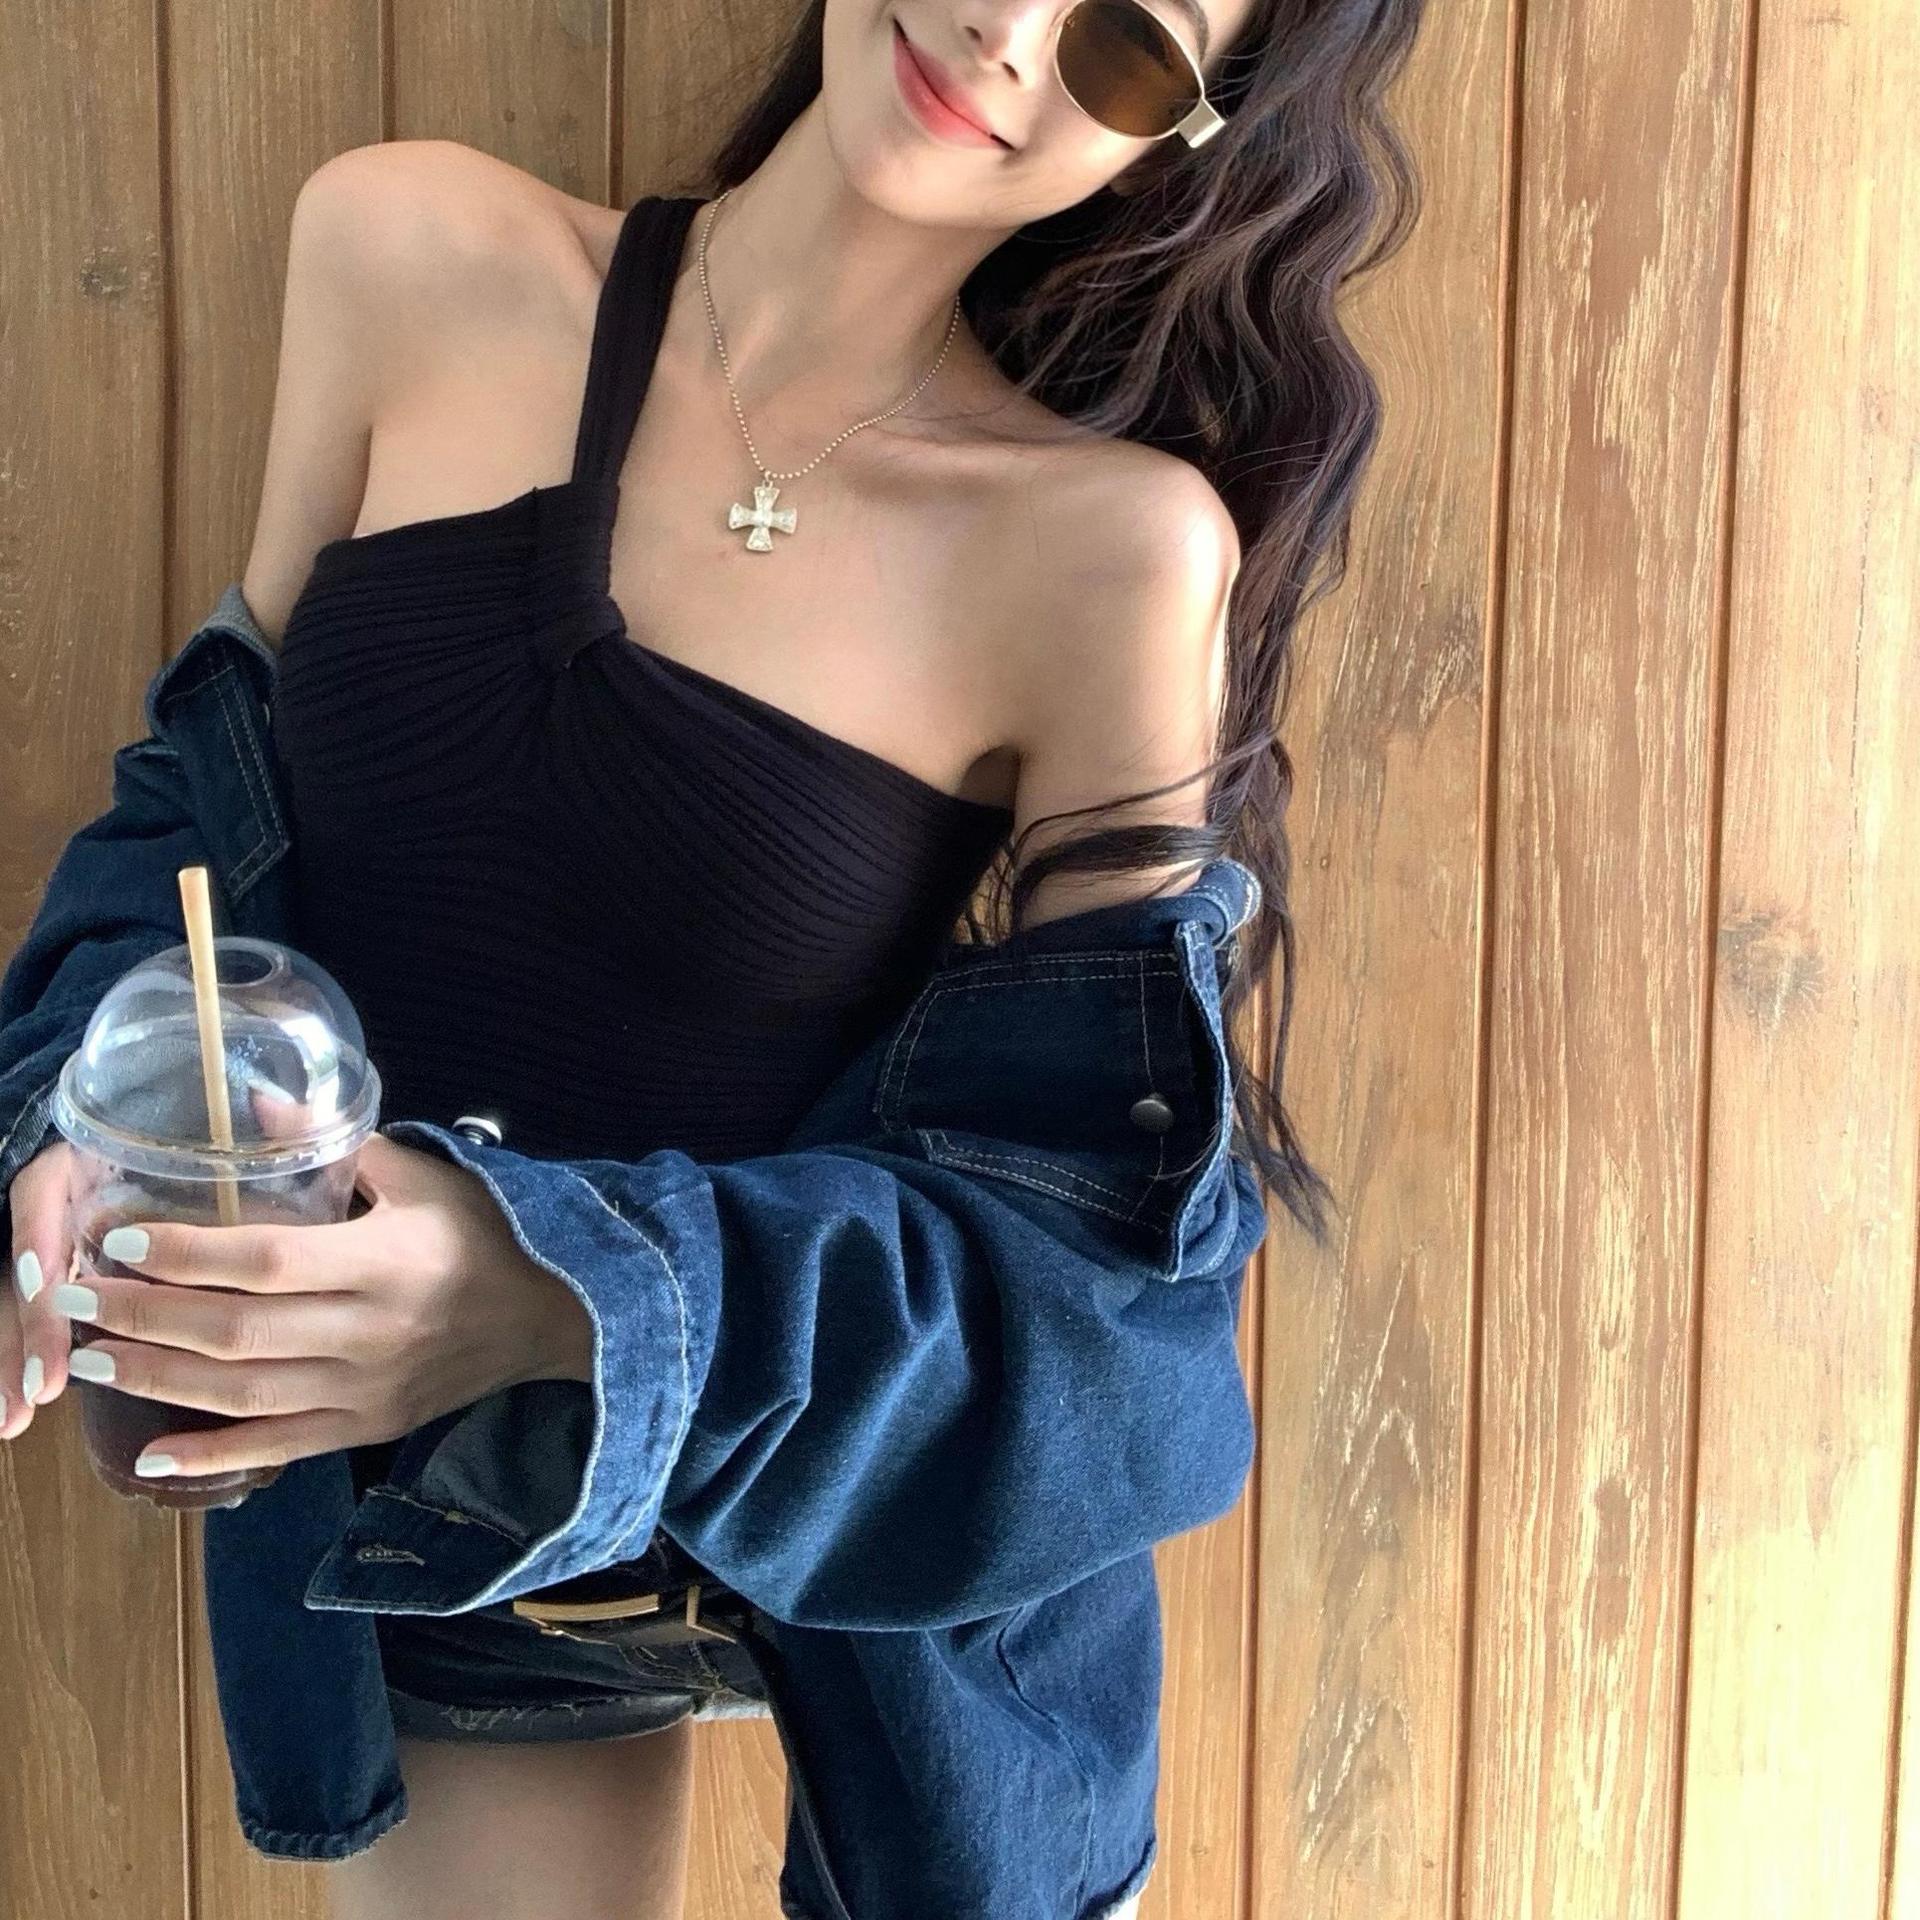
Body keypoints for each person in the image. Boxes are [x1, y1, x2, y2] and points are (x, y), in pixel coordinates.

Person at [5, 0, 1428, 1911]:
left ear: (1181, 135)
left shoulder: (1108, 554)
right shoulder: (408, 248)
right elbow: (210, 809)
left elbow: (1105, 1282)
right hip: (431, 1528)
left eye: (1124, 44)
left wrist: (553, 1290)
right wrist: (88, 1105)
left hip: (864, 1571)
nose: (1009, 33)